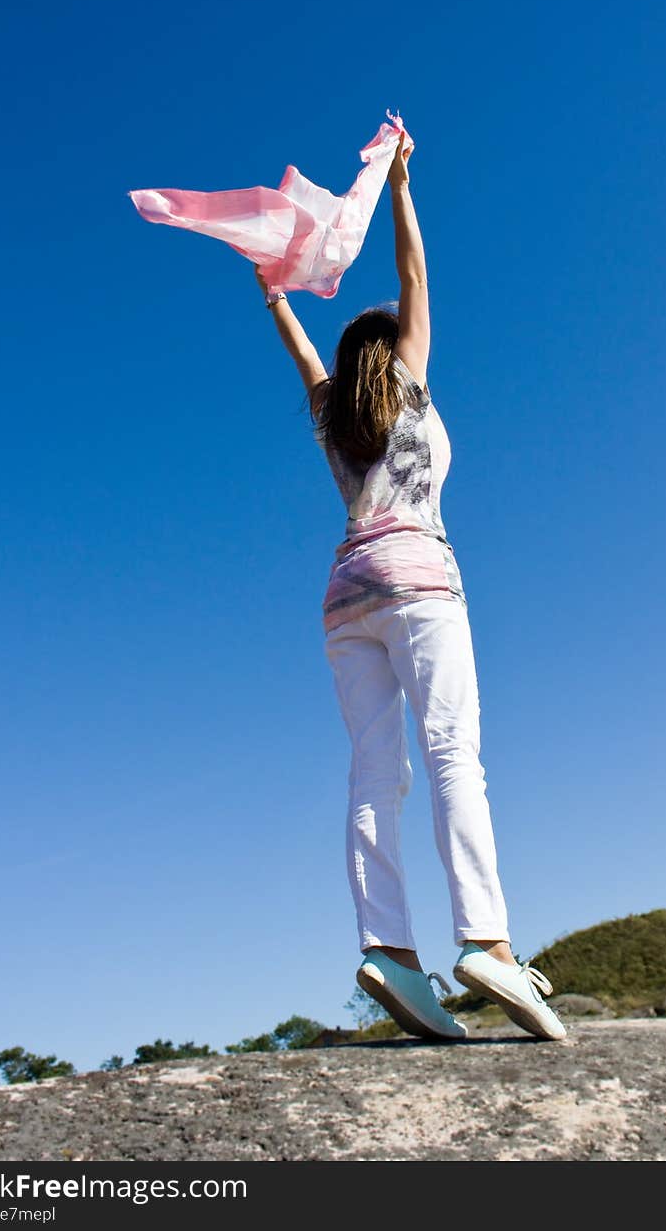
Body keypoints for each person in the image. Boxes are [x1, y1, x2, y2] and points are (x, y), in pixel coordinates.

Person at [254, 131, 565, 1043]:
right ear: (391, 344)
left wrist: (275, 292)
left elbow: (299, 348)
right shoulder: (410, 381)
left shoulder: (334, 408)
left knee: (372, 773)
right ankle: (488, 944)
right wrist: (399, 183)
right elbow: (415, 270)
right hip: (421, 578)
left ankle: (387, 951)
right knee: (452, 755)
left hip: (345, 593)